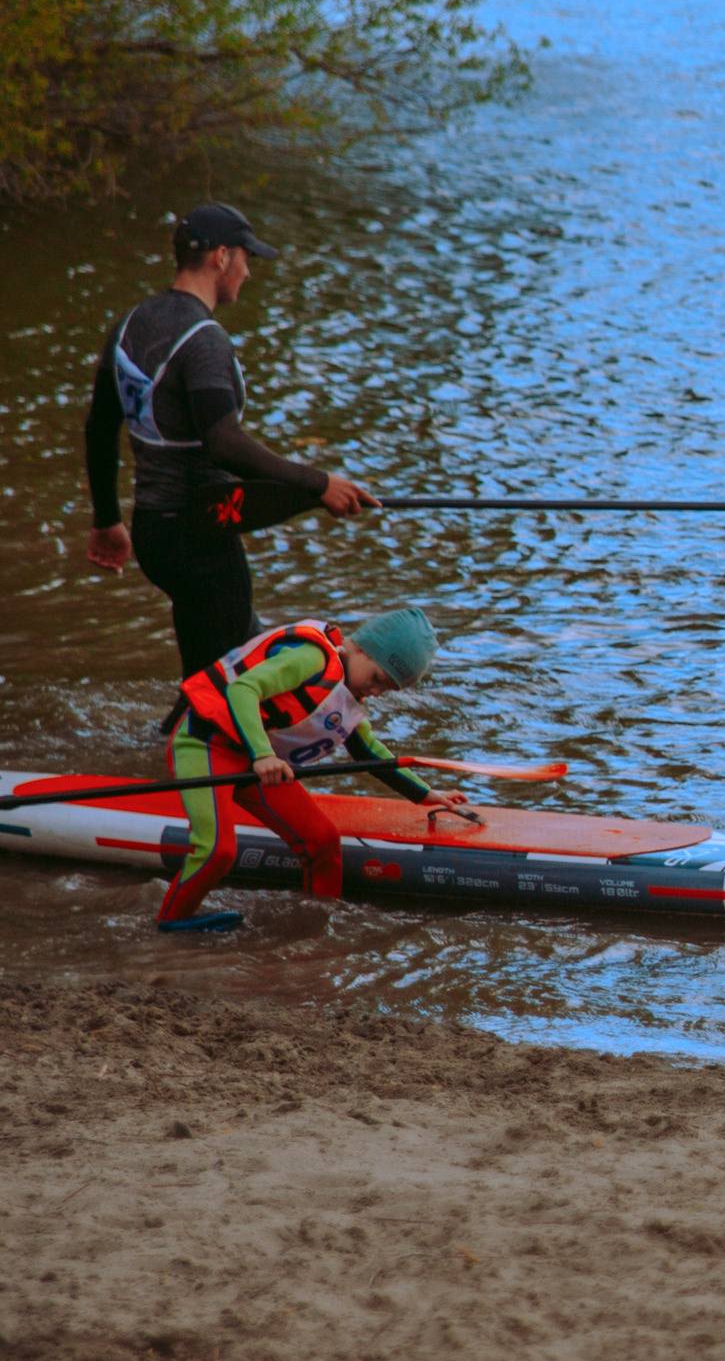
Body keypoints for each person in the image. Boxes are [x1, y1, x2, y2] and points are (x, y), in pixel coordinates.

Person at [82, 202, 378, 680]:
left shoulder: (128, 326)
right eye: (246, 258)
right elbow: (225, 443)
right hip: (200, 537)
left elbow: (99, 430)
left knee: (223, 670)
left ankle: (165, 749)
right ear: (221, 257)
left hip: (155, 532)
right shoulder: (204, 340)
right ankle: (194, 750)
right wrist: (318, 483)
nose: (247, 271)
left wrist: (107, 520)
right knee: (225, 684)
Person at [157, 606, 462, 934]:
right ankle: (172, 922)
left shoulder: (345, 698)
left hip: (253, 762)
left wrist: (427, 794)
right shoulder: (312, 658)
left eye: (386, 690)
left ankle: (318, 924)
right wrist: (262, 754)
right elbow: (243, 689)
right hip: (205, 744)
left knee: (323, 840)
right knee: (217, 849)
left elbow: (372, 754)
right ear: (359, 647)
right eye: (377, 679)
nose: (375, 692)